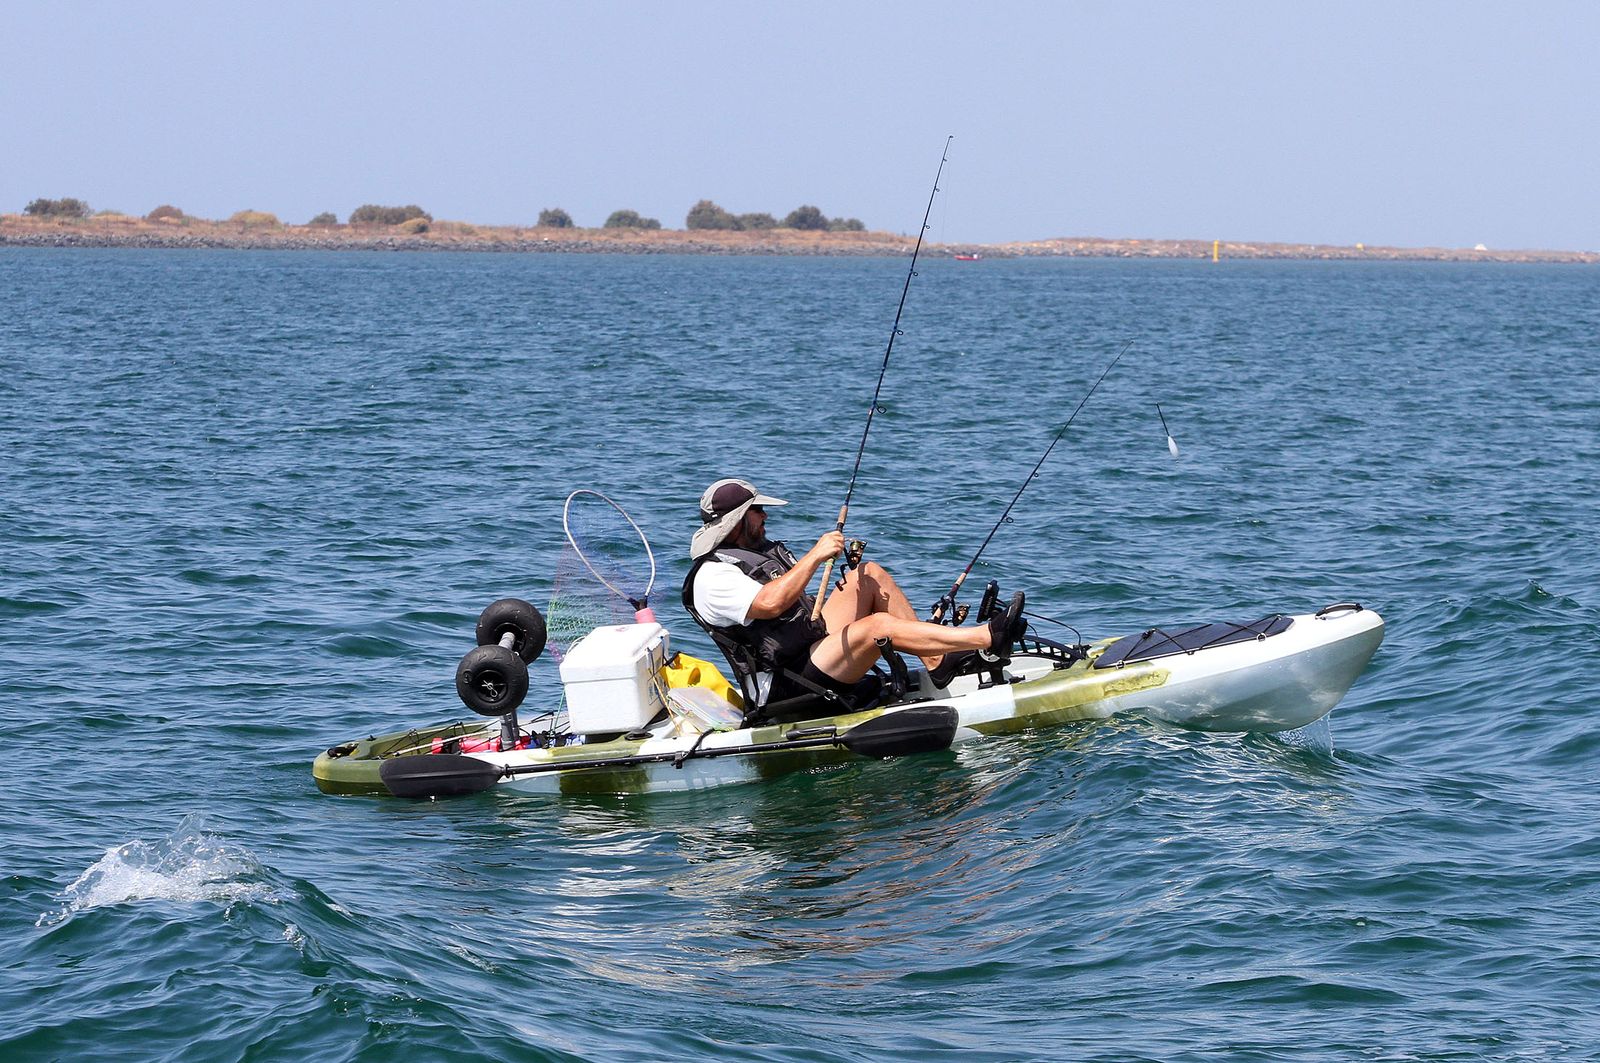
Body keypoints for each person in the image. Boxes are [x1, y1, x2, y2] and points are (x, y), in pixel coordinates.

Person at [682, 477, 1024, 711]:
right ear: (738, 520)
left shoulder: (757, 552)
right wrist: (816, 555)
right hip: (785, 682)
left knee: (867, 574)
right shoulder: (712, 577)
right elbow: (769, 604)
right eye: (758, 511)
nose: (765, 516)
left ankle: (938, 662)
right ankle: (985, 638)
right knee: (876, 627)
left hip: (808, 647)